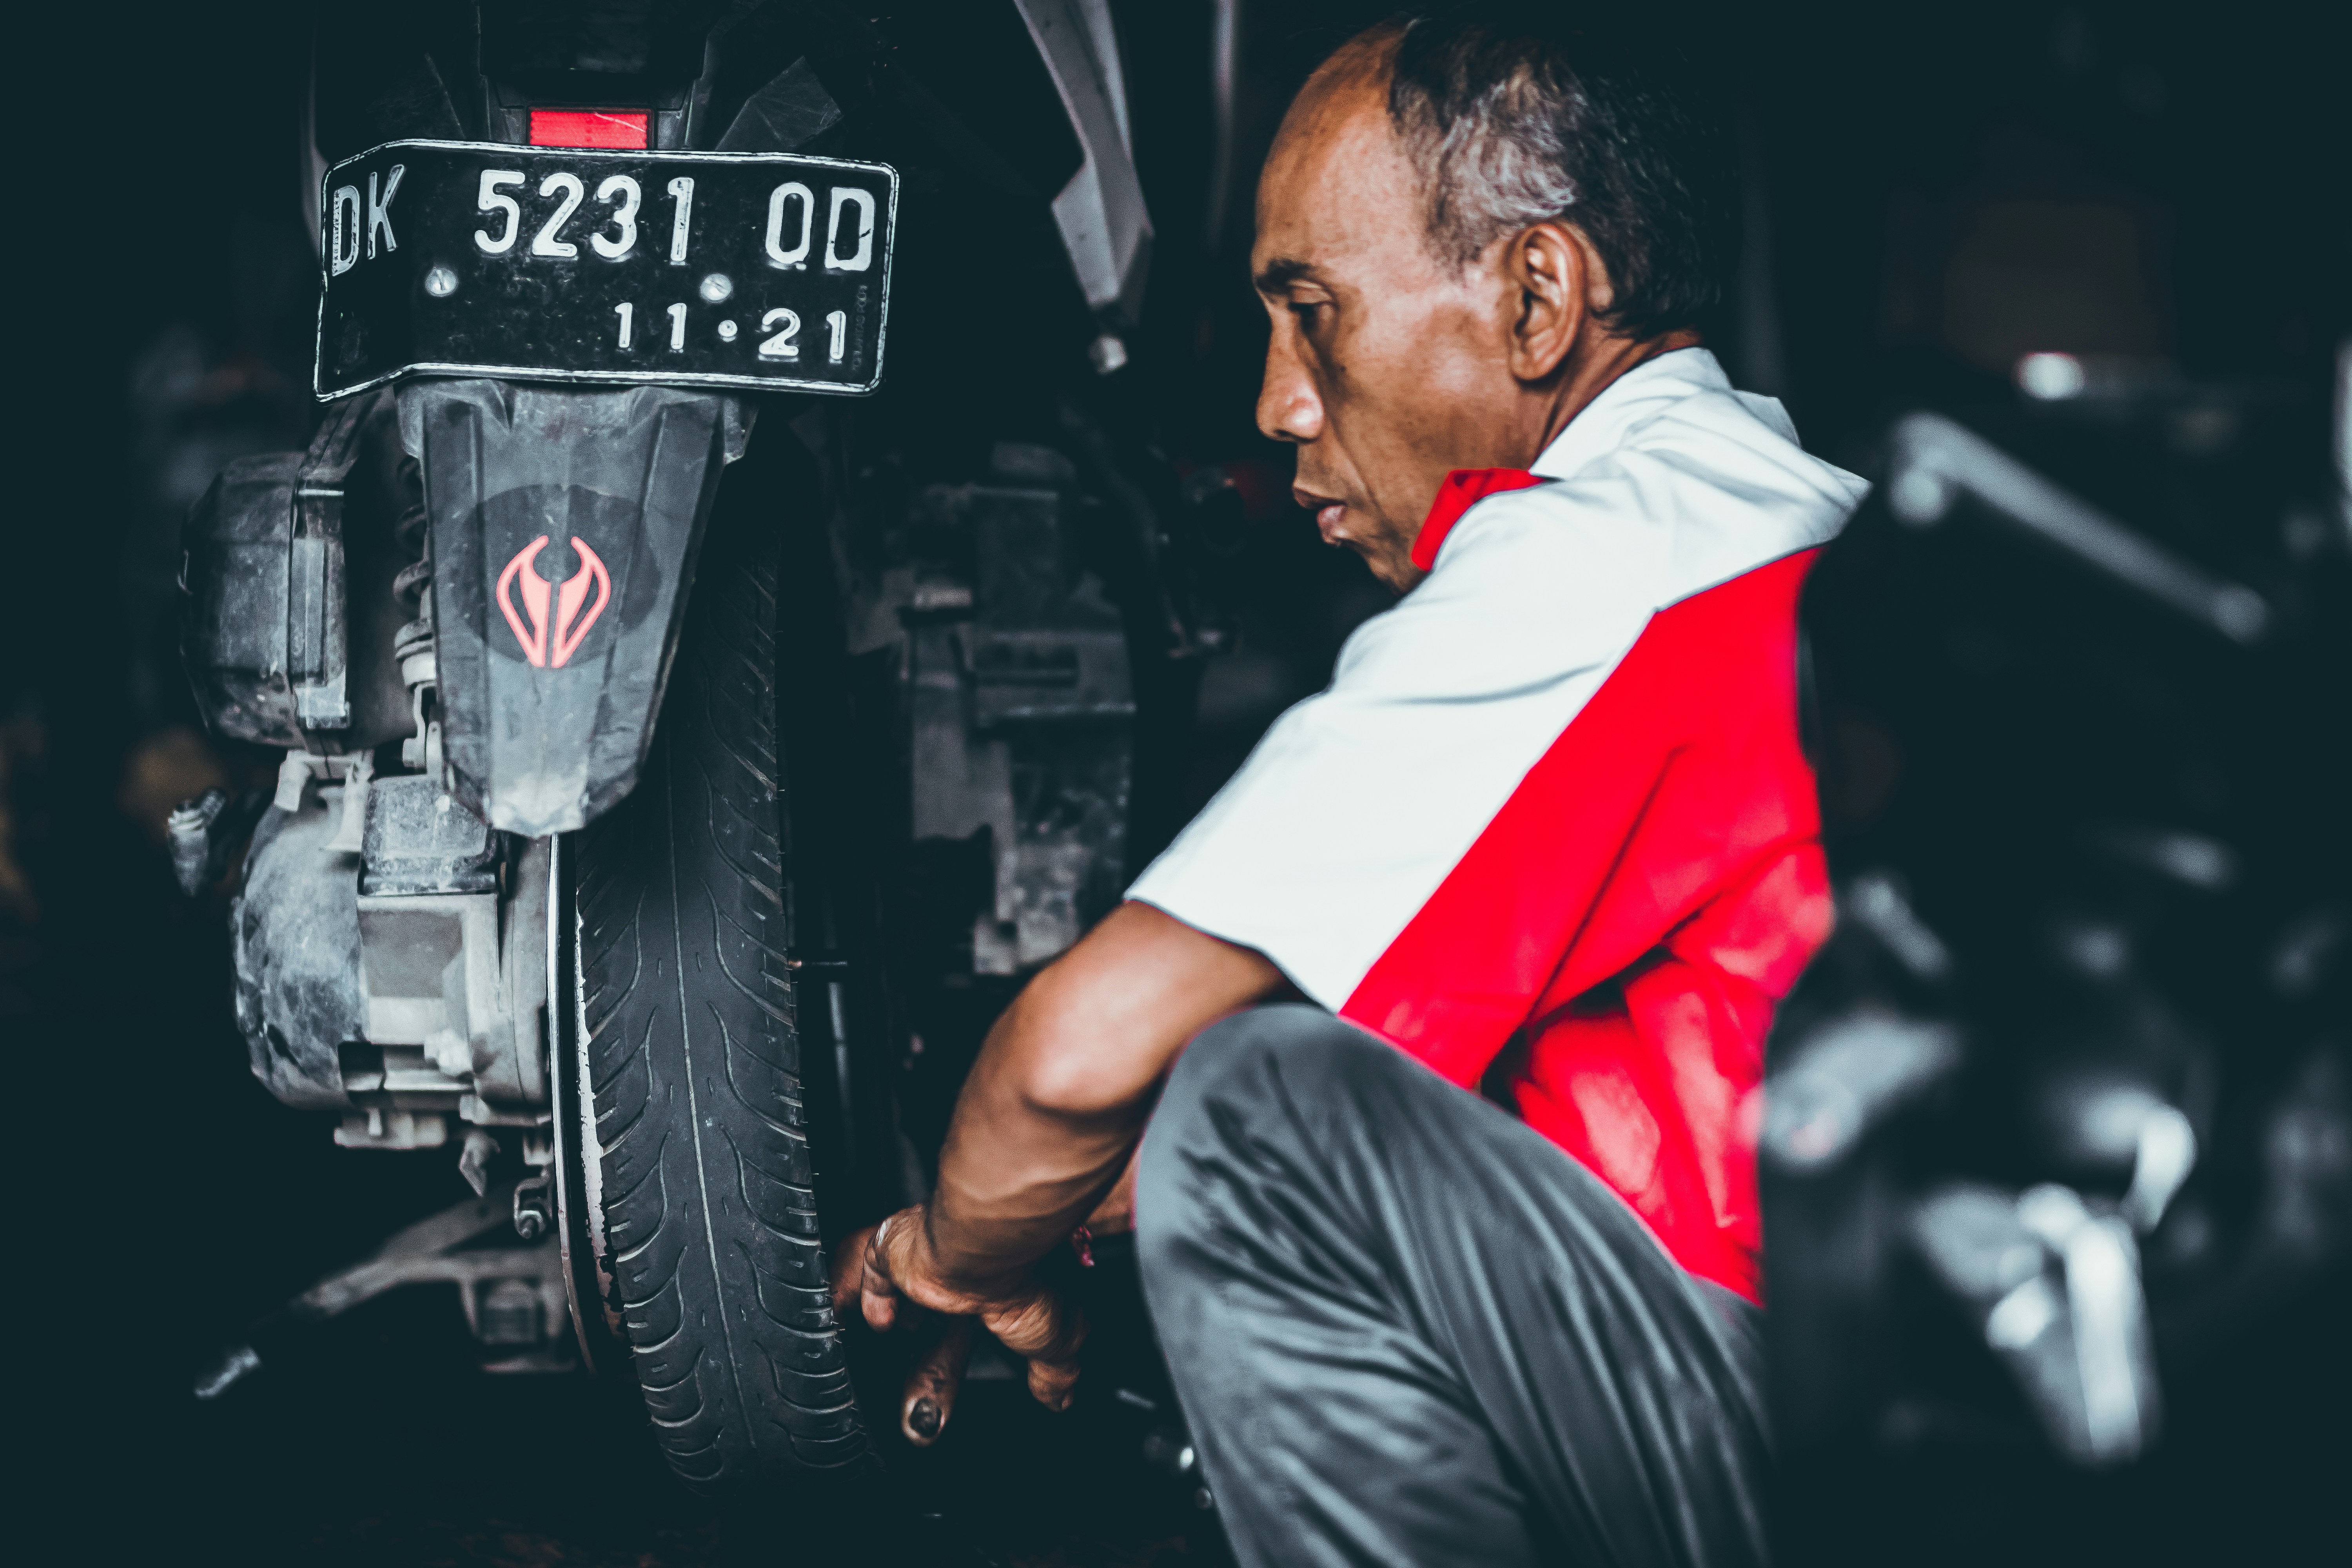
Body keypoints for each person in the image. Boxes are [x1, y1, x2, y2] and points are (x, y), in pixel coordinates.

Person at [833, 5, 1867, 1563]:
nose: (1278, 404)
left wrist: (954, 1248)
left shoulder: (1608, 554)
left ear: (1537, 298)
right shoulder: (1784, 518)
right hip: (1860, 1382)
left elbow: (1076, 1052)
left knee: (1260, 1131)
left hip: (1811, 1426)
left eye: (1311, 313)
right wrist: (1074, 1217)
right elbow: (1425, 1054)